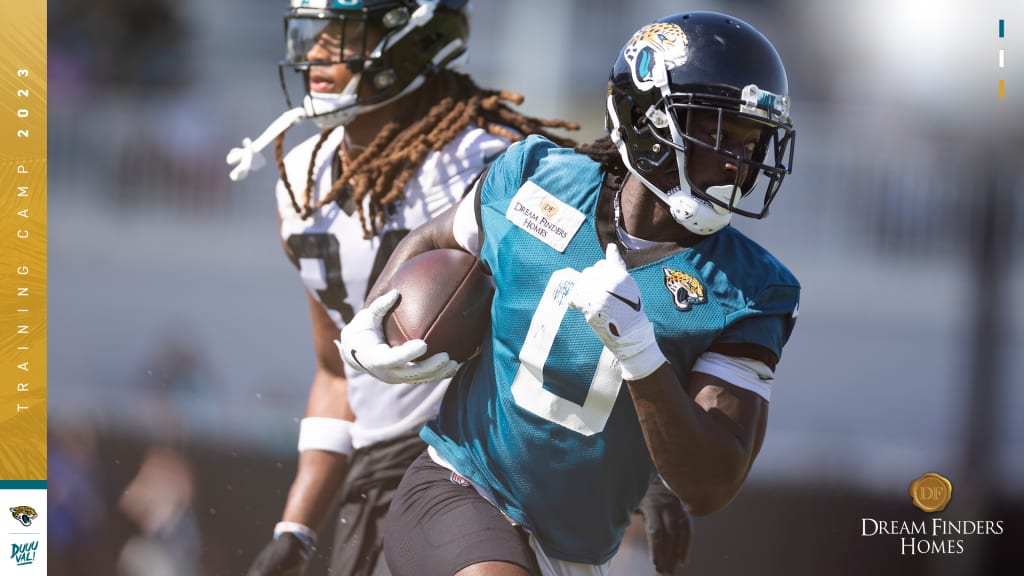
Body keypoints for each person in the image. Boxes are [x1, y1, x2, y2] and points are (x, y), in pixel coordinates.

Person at [226, 2, 688, 575]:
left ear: (411, 40)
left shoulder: (496, 161)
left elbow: (592, 308)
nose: (318, 49)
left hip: (481, 452)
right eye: (317, 29)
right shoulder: (300, 183)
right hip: (373, 467)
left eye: (347, 30)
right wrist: (295, 527)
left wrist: (649, 471)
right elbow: (333, 371)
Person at [338, 9, 799, 576]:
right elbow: (436, 235)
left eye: (754, 143)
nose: (740, 162)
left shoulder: (752, 290)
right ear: (646, 120)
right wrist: (373, 314)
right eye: (719, 133)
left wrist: (639, 351)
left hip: (577, 554)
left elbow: (710, 484)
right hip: (460, 486)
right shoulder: (534, 177)